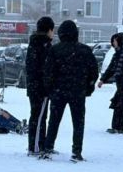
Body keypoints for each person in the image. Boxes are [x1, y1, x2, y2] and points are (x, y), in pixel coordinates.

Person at [41, 20, 98, 162]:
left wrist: (50, 88)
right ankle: (76, 151)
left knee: (54, 121)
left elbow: (48, 72)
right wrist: (88, 87)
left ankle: (48, 148)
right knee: (78, 122)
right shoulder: (85, 50)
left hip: (58, 91)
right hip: (78, 91)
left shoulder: (55, 50)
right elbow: (94, 72)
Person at [25, 16, 54, 156]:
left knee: (37, 116)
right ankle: (36, 146)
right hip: (40, 87)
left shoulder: (34, 43)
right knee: (39, 117)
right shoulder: (44, 45)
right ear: (49, 30)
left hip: (33, 85)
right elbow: (45, 68)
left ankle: (38, 144)